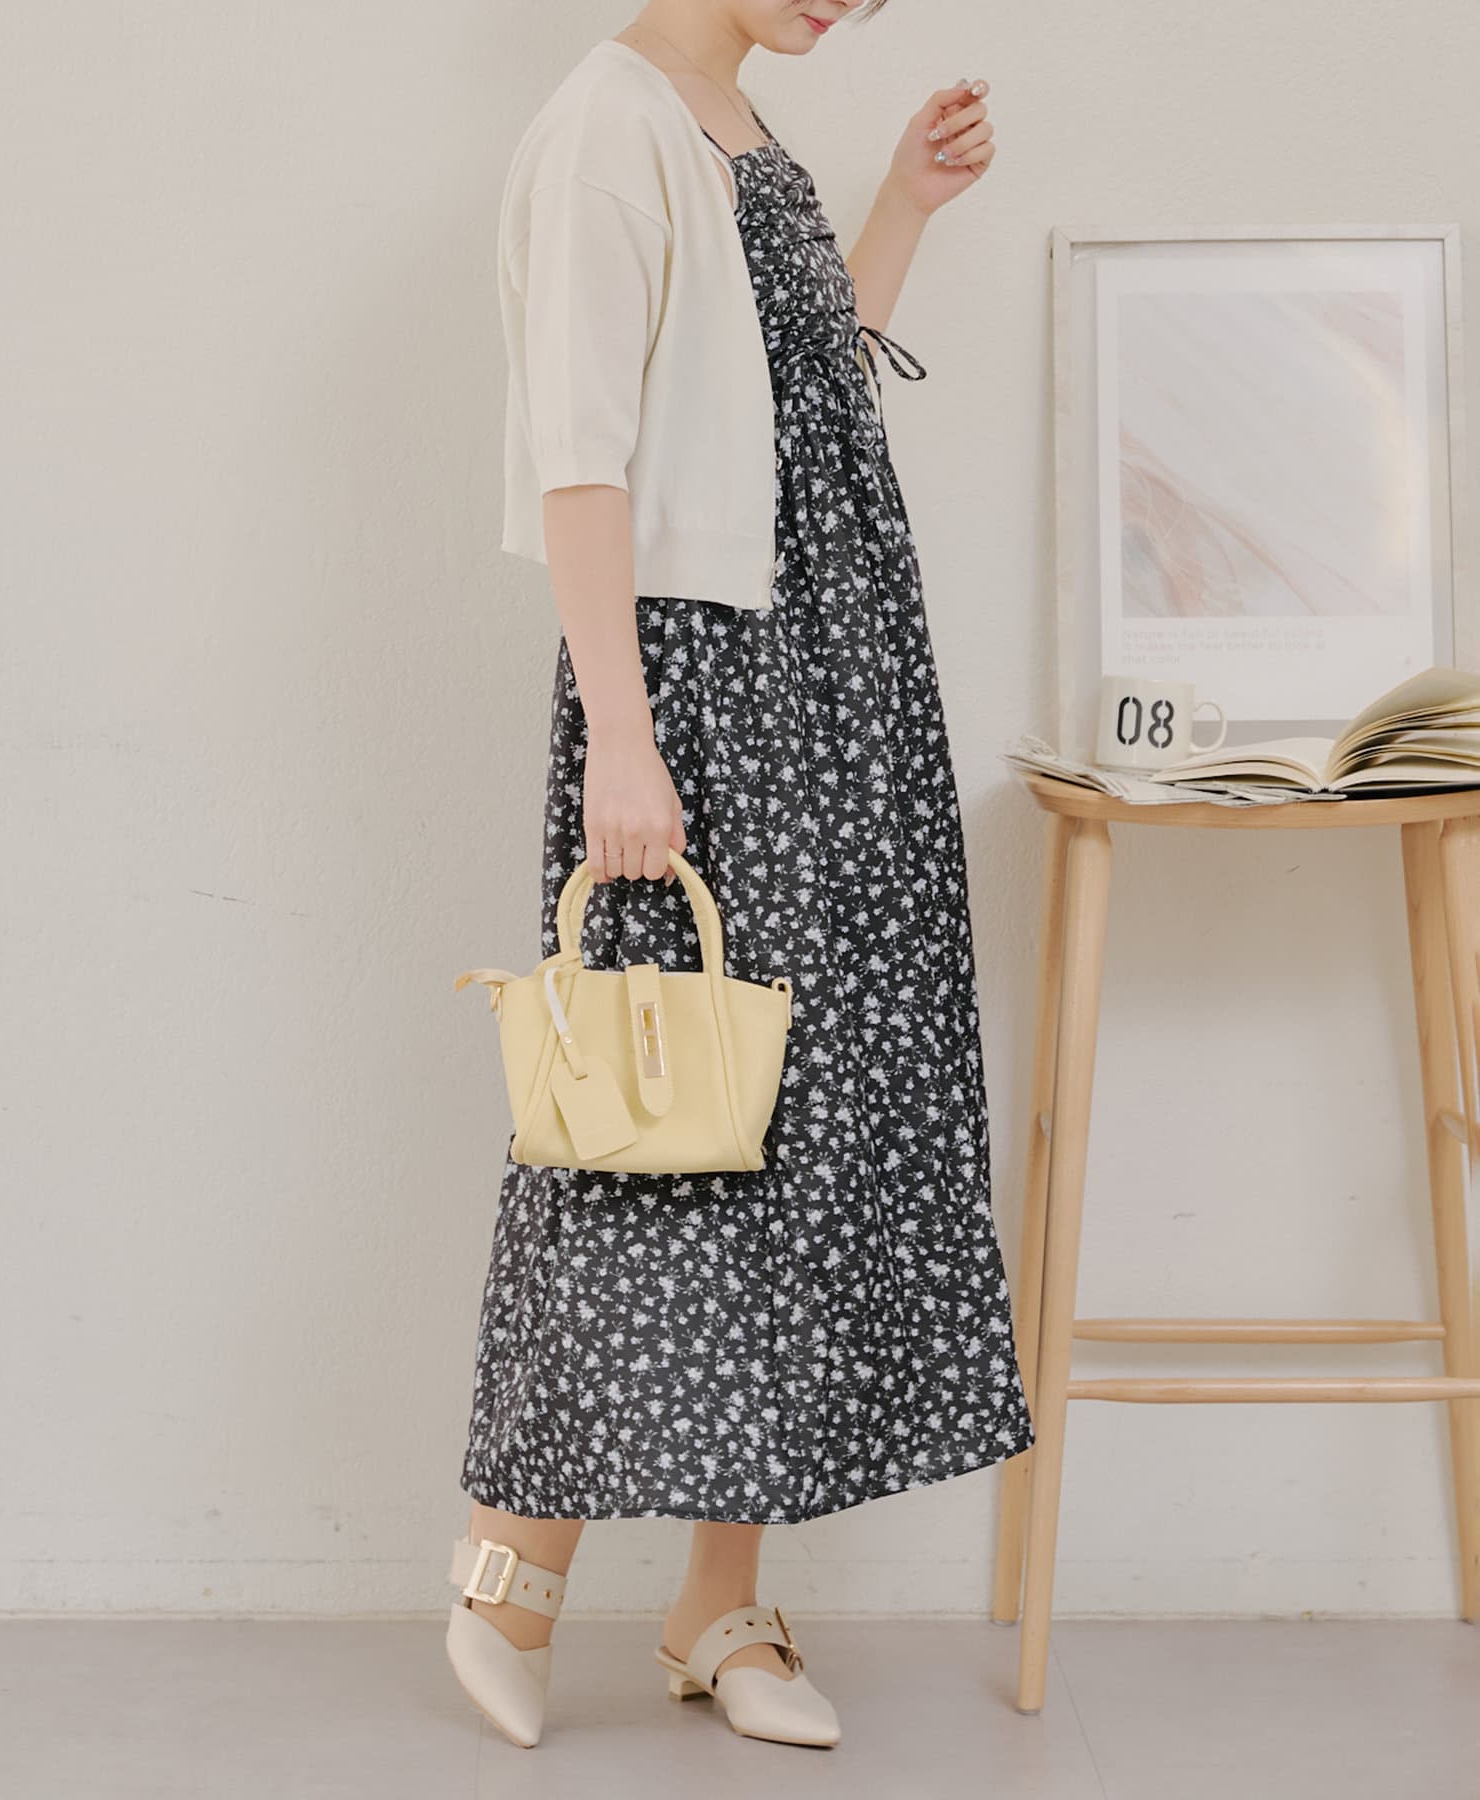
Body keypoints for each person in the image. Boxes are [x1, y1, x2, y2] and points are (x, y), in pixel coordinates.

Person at [446, 0, 1032, 1751]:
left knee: (800, 1122)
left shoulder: (737, 121)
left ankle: (720, 1603)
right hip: (701, 691)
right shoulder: (607, 128)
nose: (849, 2)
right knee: (644, 1123)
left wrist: (903, 206)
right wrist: (624, 742)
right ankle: (509, 1569)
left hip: (831, 679)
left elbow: (796, 398)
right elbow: (580, 454)